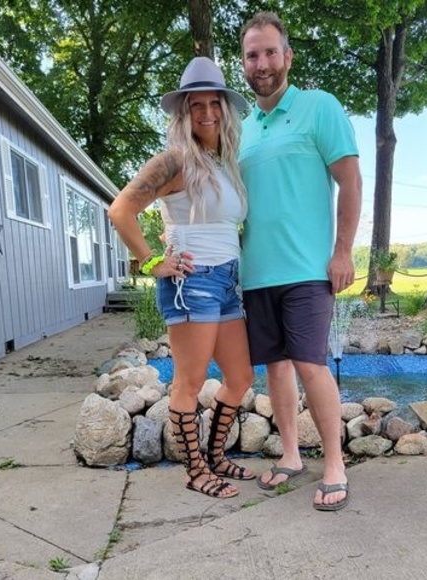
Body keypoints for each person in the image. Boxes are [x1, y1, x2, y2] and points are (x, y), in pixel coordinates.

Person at [108, 57, 255, 499]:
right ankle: (195, 470)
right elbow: (120, 210)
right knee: (188, 383)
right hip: (192, 283)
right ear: (184, 113)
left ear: (225, 109)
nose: (207, 112)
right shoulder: (174, 160)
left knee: (240, 377)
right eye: (196, 105)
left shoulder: (224, 162)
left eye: (214, 103)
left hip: (227, 281)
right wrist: (152, 261)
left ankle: (216, 457)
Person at [238, 12, 362, 511]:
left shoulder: (319, 107)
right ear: (244, 64)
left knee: (311, 364)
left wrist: (343, 250)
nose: (262, 63)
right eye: (252, 55)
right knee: (276, 367)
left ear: (287, 57)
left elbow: (350, 181)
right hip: (256, 273)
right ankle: (290, 455)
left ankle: (334, 464)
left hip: (309, 270)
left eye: (270, 52)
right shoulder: (241, 129)